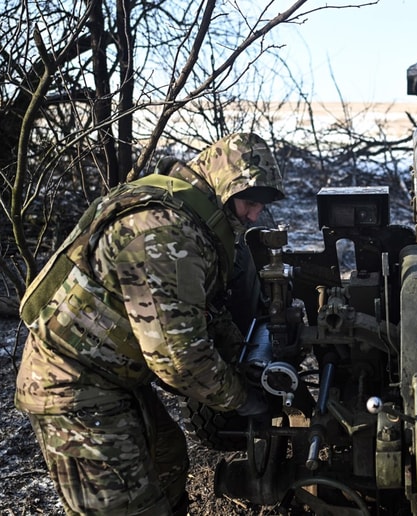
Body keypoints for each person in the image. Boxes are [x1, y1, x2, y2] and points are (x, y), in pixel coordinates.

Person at [15, 132, 284, 515]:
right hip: (72, 387)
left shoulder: (186, 216)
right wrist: (243, 399)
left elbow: (199, 312)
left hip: (111, 377)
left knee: (167, 462)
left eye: (261, 205)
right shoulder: (164, 235)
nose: (255, 215)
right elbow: (179, 361)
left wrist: (244, 351)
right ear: (222, 188)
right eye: (249, 201)